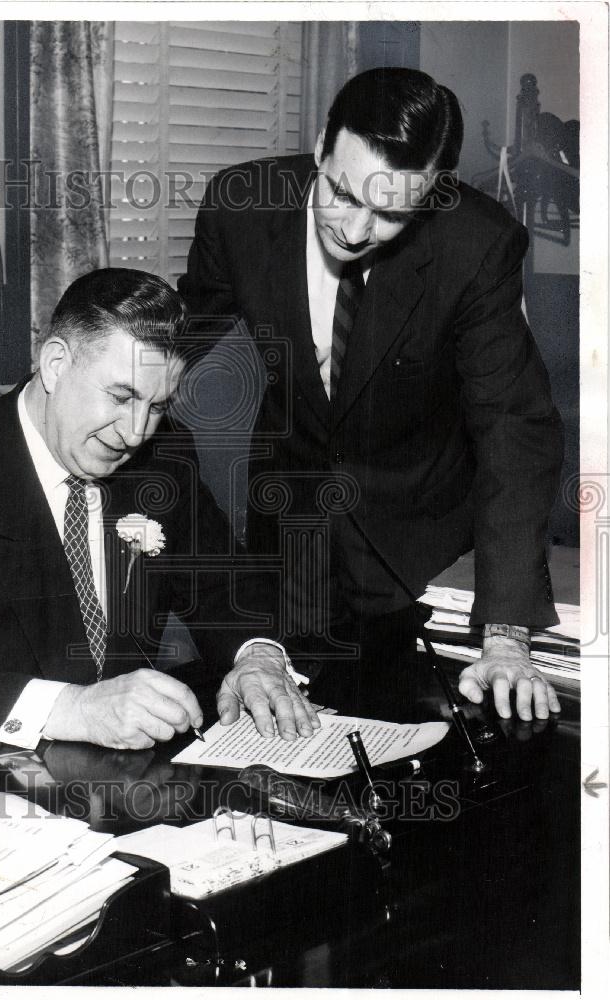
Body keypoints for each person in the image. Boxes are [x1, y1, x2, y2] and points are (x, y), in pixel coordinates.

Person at [178, 67, 564, 722]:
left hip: (418, 546)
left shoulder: (477, 244)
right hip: (287, 532)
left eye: (390, 214)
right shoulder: (239, 205)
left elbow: (514, 429)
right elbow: (187, 334)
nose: (354, 230)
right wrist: (54, 390)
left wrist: (505, 635)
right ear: (323, 142)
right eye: (341, 193)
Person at [0, 269, 319, 749]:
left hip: (129, 782)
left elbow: (228, 584)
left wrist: (257, 655)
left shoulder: (163, 460)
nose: (135, 433)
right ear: (55, 363)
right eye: (121, 396)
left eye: (156, 406)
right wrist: (70, 708)